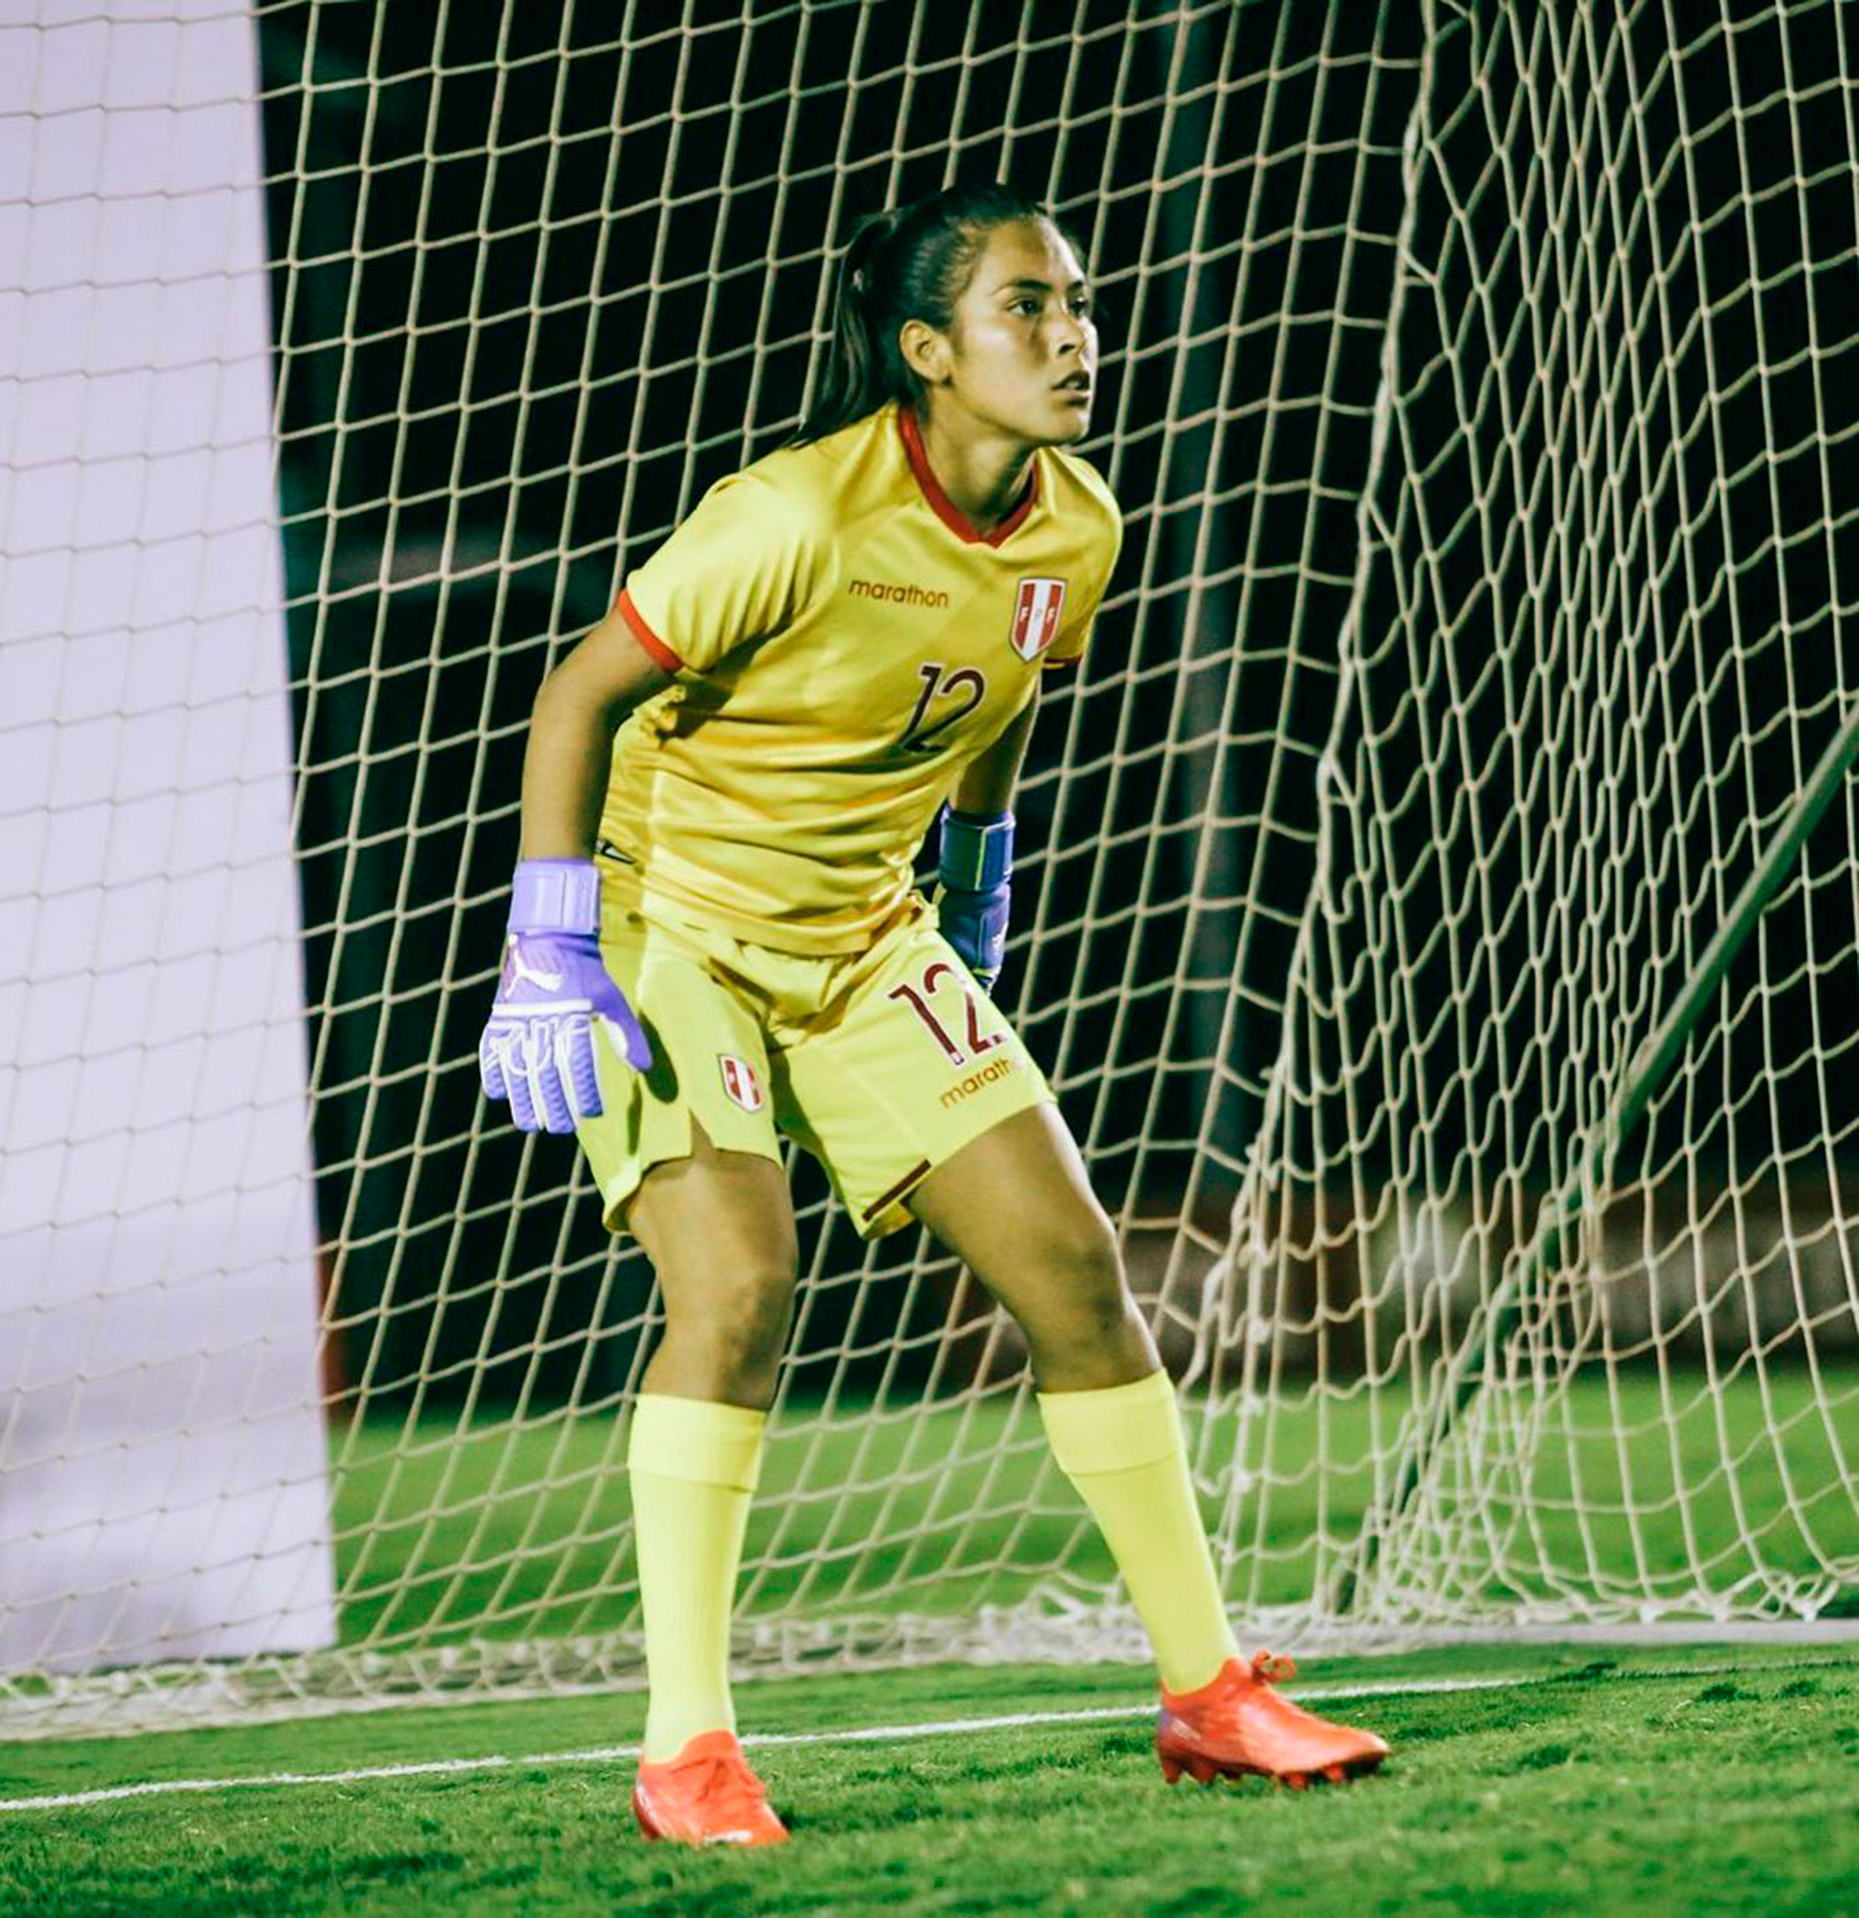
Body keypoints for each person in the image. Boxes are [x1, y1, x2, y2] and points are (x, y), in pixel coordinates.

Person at [480, 183, 1389, 1849]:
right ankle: (688, 1748)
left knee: (1074, 1267)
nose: (1070, 336)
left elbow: (997, 692)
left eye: (1077, 302)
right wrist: (553, 941)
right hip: (671, 924)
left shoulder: (1078, 524)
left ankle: (1208, 1691)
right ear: (928, 353)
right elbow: (579, 693)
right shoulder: (793, 518)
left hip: (865, 928)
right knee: (740, 1285)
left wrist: (976, 864)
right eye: (1024, 309)